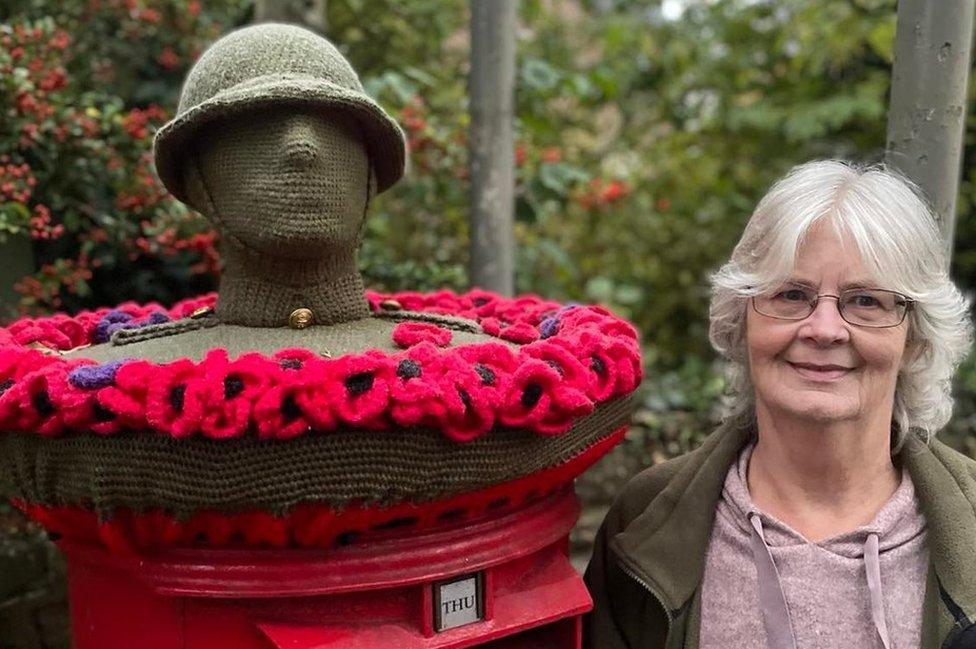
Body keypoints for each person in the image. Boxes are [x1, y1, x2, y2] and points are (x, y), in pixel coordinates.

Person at [584, 160, 976, 649]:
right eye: (792, 294)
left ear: (914, 338)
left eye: (866, 301)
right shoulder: (644, 523)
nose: (824, 329)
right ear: (740, 319)